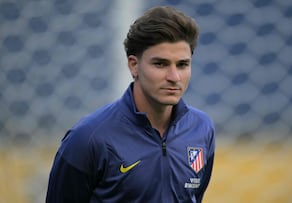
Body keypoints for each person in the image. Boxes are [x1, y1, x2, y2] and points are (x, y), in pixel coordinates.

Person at [46, 5, 216, 203]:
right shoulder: (88, 138)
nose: (174, 77)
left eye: (182, 65)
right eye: (160, 64)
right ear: (134, 65)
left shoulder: (201, 128)